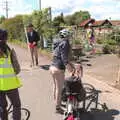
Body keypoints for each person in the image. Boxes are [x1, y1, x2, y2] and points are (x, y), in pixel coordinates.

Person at [49, 29, 74, 113]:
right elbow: (64, 58)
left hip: (52, 67)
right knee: (59, 89)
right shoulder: (65, 43)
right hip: (58, 68)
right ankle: (57, 108)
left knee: (56, 86)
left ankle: (56, 102)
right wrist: (70, 69)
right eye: (69, 35)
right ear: (66, 36)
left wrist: (70, 64)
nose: (69, 37)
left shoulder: (57, 42)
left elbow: (58, 55)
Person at [0, 29, 22, 120]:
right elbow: (17, 69)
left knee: (2, 107)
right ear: (6, 38)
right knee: (16, 105)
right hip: (11, 84)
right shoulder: (9, 50)